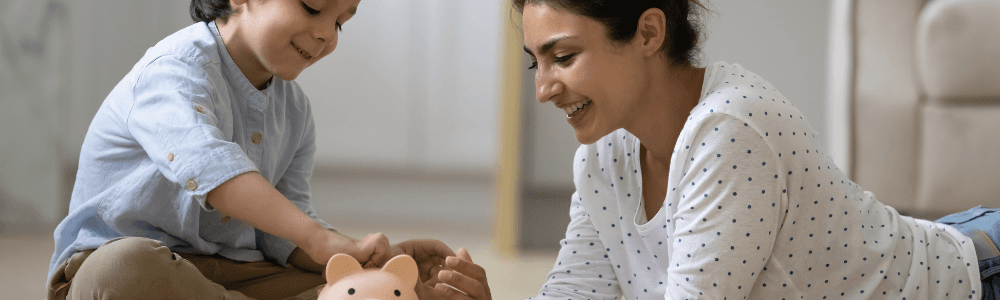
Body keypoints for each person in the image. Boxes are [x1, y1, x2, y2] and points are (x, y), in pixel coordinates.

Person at [433, 1, 1000, 299]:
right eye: (537, 62)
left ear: (649, 33)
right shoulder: (603, 155)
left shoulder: (732, 129)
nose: (543, 88)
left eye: (563, 57)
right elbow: (579, 291)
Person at [46, 0, 457, 299]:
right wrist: (317, 239)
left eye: (341, 22)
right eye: (313, 8)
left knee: (367, 290)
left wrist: (363, 262)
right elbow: (210, 168)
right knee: (122, 271)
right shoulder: (173, 70)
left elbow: (282, 234)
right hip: (135, 268)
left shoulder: (294, 110)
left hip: (236, 275)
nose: (326, 35)